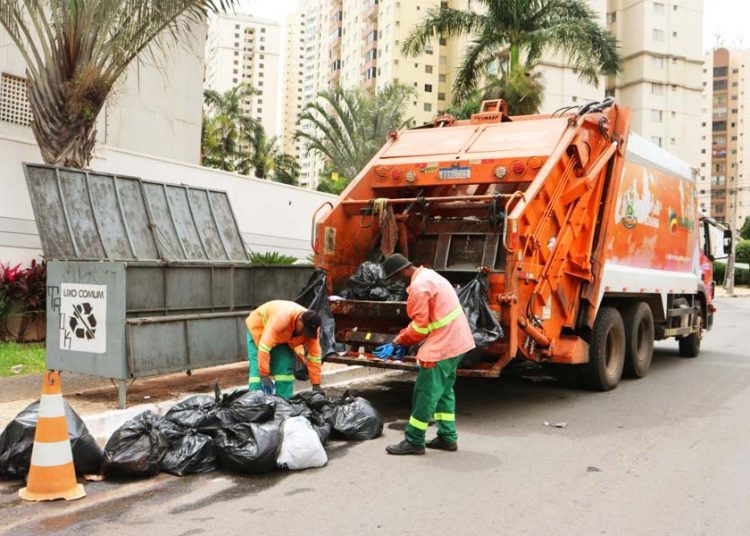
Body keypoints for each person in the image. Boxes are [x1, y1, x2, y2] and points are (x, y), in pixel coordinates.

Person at [374, 253, 475, 455]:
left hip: (443, 345)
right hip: (458, 342)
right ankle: (447, 437)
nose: (395, 283)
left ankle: (414, 440)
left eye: (394, 278)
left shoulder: (419, 287)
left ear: (401, 272)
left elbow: (420, 328)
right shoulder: (430, 276)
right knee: (444, 392)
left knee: (425, 393)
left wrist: (398, 341)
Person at [245, 300, 324, 399]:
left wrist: (316, 384)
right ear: (300, 320)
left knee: (284, 367)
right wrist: (264, 375)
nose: (304, 334)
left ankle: (285, 404)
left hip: (282, 337)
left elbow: (315, 356)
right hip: (259, 328)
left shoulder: (313, 328)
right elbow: (264, 348)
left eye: (307, 332)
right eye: (304, 330)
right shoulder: (282, 319)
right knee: (257, 372)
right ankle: (253, 404)